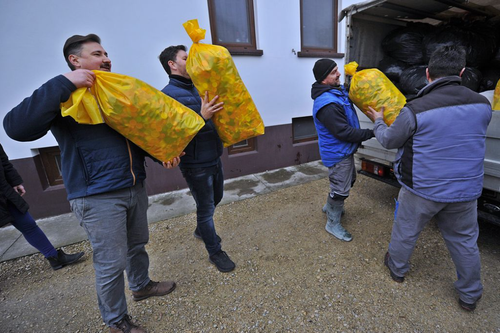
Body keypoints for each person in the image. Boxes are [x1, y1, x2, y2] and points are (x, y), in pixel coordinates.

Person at [4, 34, 180, 333]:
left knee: (137, 245)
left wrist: (160, 153)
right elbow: (16, 127)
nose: (106, 58)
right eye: (97, 53)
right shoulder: (64, 95)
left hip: (133, 186)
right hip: (97, 196)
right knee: (111, 263)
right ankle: (116, 321)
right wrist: (63, 83)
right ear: (75, 61)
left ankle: (141, 286)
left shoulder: (111, 92)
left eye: (106, 53)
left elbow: (132, 136)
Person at [365, 45, 492, 311]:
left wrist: (378, 120)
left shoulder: (415, 109)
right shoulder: (483, 105)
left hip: (422, 188)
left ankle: (397, 269)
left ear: (427, 73)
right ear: (462, 72)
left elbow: (389, 140)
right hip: (466, 190)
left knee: (406, 231)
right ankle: (469, 295)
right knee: (464, 241)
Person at [158, 45, 235, 272]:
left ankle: (202, 229)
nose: (192, 60)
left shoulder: (199, 87)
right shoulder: (167, 96)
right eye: (186, 57)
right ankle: (215, 251)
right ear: (172, 64)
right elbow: (173, 136)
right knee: (206, 208)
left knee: (216, 198)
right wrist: (202, 117)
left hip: (214, 155)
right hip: (195, 165)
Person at [311, 59, 374, 242]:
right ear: (324, 79)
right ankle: (332, 222)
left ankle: (331, 205)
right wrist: (372, 132)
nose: (338, 74)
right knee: (340, 189)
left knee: (348, 180)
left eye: (337, 70)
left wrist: (359, 74)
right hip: (338, 153)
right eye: (333, 72)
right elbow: (343, 132)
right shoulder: (327, 104)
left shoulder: (335, 91)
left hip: (344, 150)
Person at [0, 143, 84, 269]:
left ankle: (54, 257)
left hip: (4, 191)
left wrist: (15, 181)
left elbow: (3, 160)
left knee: (28, 225)